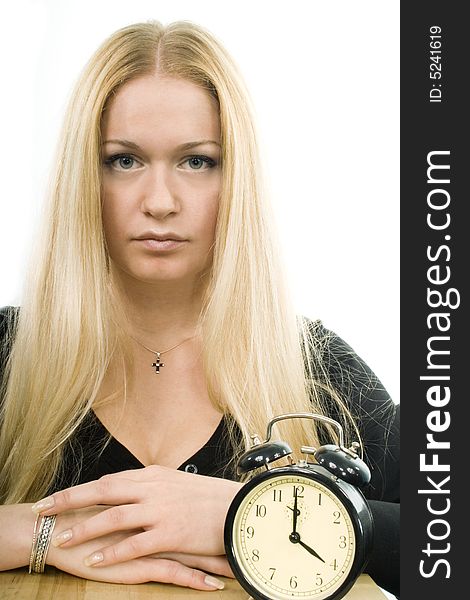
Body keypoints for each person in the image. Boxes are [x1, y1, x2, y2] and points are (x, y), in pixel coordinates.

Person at [0, 19, 399, 598]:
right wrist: (29, 531)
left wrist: (246, 514)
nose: (159, 202)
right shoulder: (10, 354)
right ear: (83, 177)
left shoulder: (315, 368)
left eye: (197, 162)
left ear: (236, 178)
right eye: (124, 161)